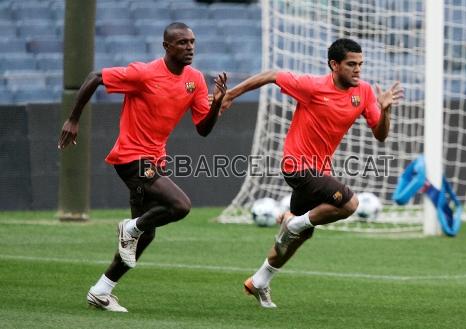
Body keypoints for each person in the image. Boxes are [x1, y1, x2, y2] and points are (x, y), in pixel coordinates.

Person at [58, 22, 227, 312]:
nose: (189, 47)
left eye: (192, 42)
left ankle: (102, 290)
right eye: (182, 43)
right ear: (166, 46)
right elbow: (95, 76)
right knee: (180, 206)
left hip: (154, 160)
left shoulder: (195, 80)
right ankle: (130, 227)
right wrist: (73, 119)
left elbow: (202, 129)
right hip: (130, 157)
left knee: (146, 235)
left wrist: (216, 105)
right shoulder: (144, 73)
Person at [221, 38, 403, 308]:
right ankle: (292, 222)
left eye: (360, 64)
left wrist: (385, 111)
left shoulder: (363, 92)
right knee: (349, 203)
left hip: (319, 171)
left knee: (301, 235)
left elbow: (380, 134)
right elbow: (272, 75)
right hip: (296, 165)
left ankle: (259, 280)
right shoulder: (312, 86)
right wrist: (231, 95)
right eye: (351, 64)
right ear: (334, 65)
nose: (358, 70)